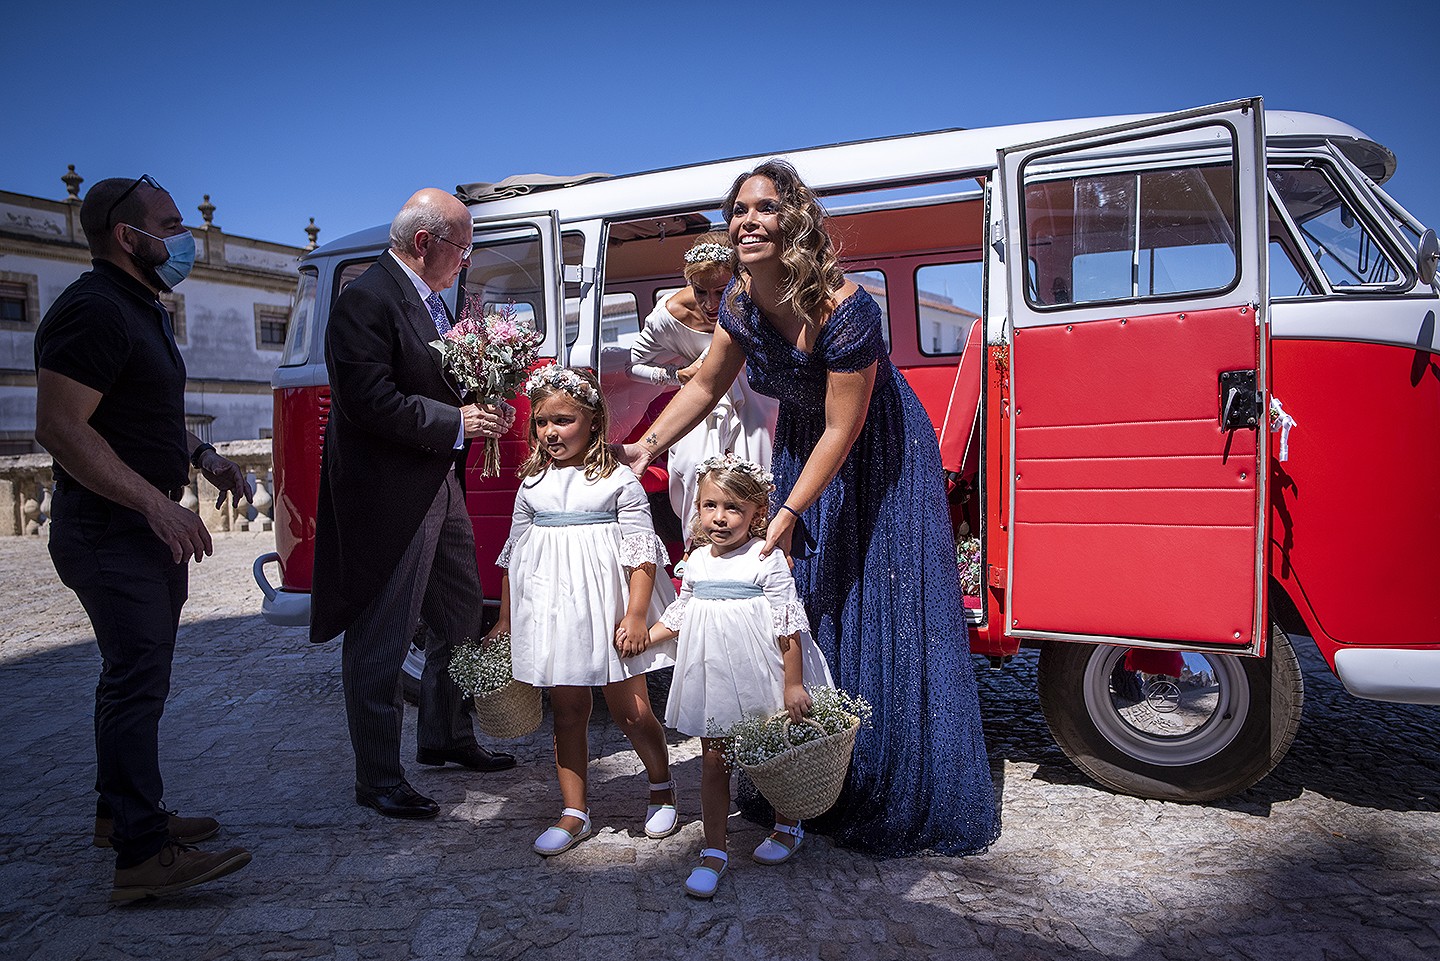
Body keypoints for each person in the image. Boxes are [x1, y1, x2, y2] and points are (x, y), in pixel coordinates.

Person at [622, 160, 999, 857]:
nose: (747, 221)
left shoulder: (845, 306)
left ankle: (881, 773)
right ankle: (806, 779)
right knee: (808, 604)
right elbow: (705, 384)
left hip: (879, 455)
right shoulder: (736, 301)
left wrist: (787, 511)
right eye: (738, 210)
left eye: (764, 208)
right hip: (804, 446)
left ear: (794, 220)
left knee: (873, 602)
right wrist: (644, 446)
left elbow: (845, 428)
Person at [35, 174, 254, 900]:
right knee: (135, 679)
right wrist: (154, 507)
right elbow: (60, 427)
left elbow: (140, 411)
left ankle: (120, 813)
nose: (183, 235)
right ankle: (139, 854)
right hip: (110, 529)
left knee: (136, 677)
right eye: (170, 223)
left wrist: (202, 457)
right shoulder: (94, 309)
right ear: (129, 237)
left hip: (136, 524)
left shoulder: (139, 306)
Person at [311, 188, 517, 822]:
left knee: (457, 608)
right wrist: (456, 420)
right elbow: (366, 400)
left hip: (437, 481)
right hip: (389, 493)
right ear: (425, 243)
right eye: (463, 247)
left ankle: (445, 735)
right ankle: (377, 775)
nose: (467, 260)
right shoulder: (366, 299)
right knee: (384, 629)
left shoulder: (431, 298)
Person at [486, 365, 679, 856]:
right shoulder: (531, 483)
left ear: (593, 420)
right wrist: (506, 621)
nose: (551, 432)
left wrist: (636, 615)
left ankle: (661, 786)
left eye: (564, 420)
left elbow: (641, 553)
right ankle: (575, 812)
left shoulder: (617, 480)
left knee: (631, 711)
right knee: (568, 711)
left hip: (608, 610)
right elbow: (514, 556)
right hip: (555, 611)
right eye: (543, 422)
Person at [648, 453, 833, 898]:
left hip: (761, 670)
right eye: (710, 505)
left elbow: (788, 623)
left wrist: (792, 683)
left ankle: (788, 823)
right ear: (696, 509)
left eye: (733, 508)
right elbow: (682, 610)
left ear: (756, 514)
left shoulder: (765, 558)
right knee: (714, 759)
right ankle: (714, 850)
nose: (720, 517)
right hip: (712, 674)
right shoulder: (694, 561)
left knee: (775, 753)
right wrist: (644, 636)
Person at [626, 232, 777, 535]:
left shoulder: (758, 302)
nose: (710, 304)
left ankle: (762, 541)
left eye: (721, 291)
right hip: (698, 404)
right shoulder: (670, 315)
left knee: (763, 458)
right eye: (700, 292)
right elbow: (633, 366)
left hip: (756, 395)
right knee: (692, 464)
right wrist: (678, 374)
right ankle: (697, 549)